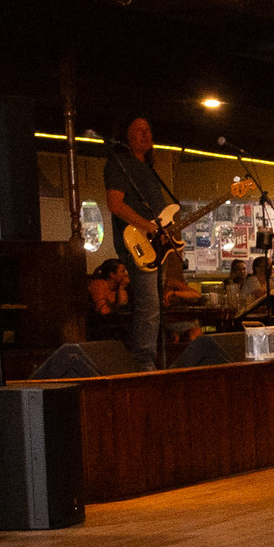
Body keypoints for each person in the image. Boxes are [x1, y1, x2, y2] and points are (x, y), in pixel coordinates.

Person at [99, 116, 179, 364]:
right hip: (136, 241)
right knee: (149, 304)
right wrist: (148, 227)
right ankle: (144, 362)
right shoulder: (119, 164)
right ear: (126, 136)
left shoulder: (147, 168)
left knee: (154, 305)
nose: (145, 134)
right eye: (138, 130)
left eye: (148, 130)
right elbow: (115, 204)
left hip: (156, 243)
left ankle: (154, 360)